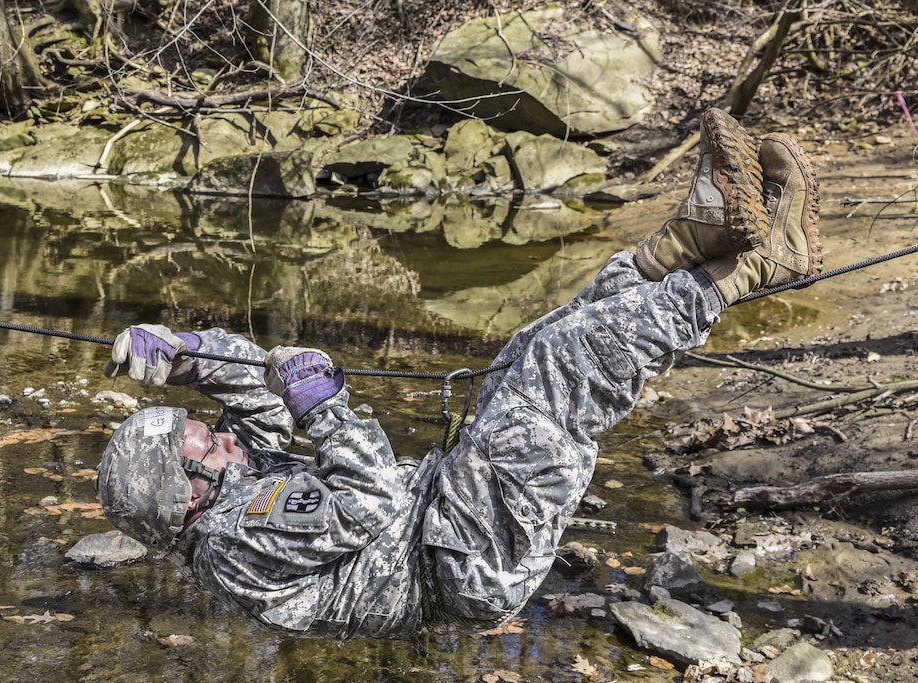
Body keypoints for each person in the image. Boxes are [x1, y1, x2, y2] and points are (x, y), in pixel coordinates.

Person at [95, 108, 822, 639]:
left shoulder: (237, 483)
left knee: (530, 347)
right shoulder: (235, 540)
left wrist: (186, 353)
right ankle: (749, 267)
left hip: (448, 523)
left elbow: (256, 396)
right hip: (460, 559)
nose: (223, 441)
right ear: (181, 498)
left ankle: (689, 243)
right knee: (557, 372)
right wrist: (327, 411)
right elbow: (371, 500)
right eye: (203, 446)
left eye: (203, 430)